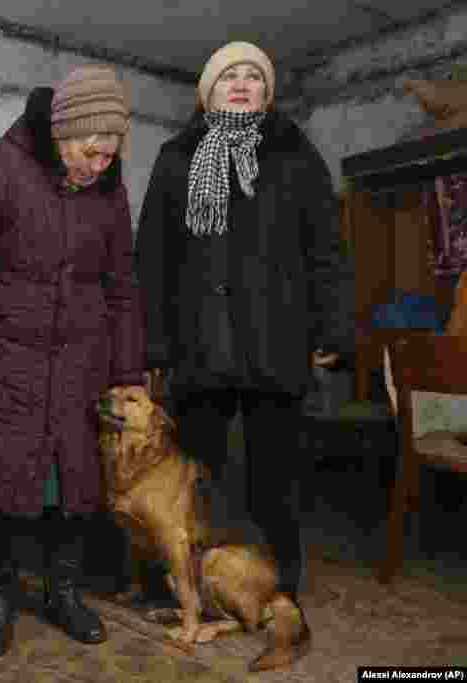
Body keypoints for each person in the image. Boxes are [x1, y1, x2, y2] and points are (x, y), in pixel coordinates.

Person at [0, 64, 145, 657]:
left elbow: (122, 284)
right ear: (62, 132)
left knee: (72, 489)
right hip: (5, 363)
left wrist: (129, 372)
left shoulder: (110, 190)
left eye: (108, 155)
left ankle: (63, 592)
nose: (98, 165)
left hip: (81, 366)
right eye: (89, 151)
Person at [134, 42, 354, 616]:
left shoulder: (296, 157)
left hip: (275, 341)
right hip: (198, 344)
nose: (241, 83)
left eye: (253, 76)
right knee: (191, 480)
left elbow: (326, 251)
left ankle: (280, 585)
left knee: (274, 480)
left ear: (266, 92)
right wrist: (154, 343)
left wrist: (331, 328)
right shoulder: (176, 159)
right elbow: (151, 260)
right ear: (208, 90)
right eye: (228, 75)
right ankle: (182, 586)